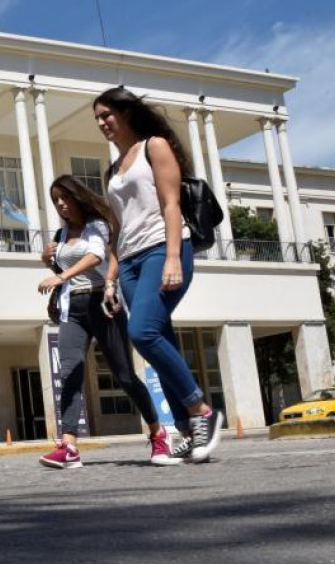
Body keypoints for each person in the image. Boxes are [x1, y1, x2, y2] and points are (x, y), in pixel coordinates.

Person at [95, 86, 223, 463]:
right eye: (98, 119)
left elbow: (171, 204)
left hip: (161, 250)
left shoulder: (155, 147)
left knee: (143, 333)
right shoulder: (112, 170)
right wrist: (111, 278)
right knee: (158, 338)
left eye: (107, 114)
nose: (102, 123)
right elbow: (119, 231)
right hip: (131, 261)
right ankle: (187, 432)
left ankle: (201, 411)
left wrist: (171, 258)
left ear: (126, 112)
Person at [37, 174, 179, 469]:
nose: (61, 205)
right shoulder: (60, 236)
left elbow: (94, 257)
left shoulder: (96, 225)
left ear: (77, 197)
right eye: (56, 201)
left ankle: (157, 432)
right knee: (70, 373)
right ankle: (69, 447)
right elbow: (61, 267)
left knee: (124, 375)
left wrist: (61, 274)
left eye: (65, 198)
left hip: (103, 304)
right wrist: (47, 259)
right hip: (72, 309)